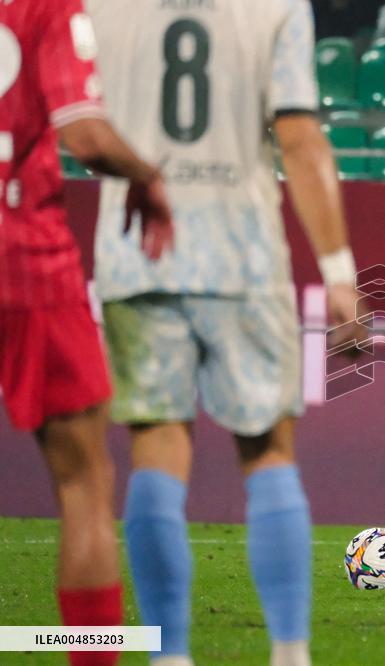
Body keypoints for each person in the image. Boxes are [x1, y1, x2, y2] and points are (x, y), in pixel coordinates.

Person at [86, 0, 364, 664]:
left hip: (136, 249)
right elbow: (297, 137)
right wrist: (340, 272)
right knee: (268, 452)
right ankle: (290, 654)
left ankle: (169, 656)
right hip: (241, 251)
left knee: (155, 453)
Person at [0, 2, 173, 665]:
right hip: (21, 259)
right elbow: (87, 138)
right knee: (84, 483)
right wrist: (149, 175)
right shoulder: (47, 6)